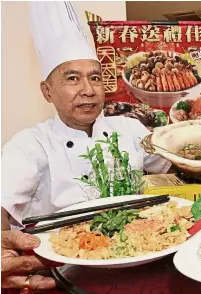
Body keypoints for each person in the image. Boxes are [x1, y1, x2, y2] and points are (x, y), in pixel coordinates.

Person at [1, 2, 171, 290]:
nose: (88, 90)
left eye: (95, 77)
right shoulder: (30, 144)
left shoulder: (129, 129)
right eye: (72, 79)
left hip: (142, 257)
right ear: (47, 91)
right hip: (65, 269)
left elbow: (171, 164)